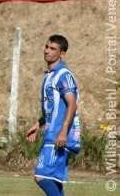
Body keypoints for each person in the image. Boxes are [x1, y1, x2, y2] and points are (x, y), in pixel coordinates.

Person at [26, 35, 81, 196]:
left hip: (58, 134)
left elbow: (72, 103)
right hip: (52, 133)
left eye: (52, 49)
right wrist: (38, 124)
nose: (47, 51)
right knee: (54, 180)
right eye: (46, 47)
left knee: (41, 177)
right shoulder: (49, 75)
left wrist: (63, 131)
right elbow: (54, 107)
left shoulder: (63, 75)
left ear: (62, 53)